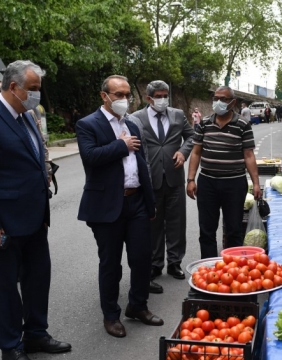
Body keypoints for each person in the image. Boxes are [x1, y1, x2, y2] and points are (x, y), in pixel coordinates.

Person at [0, 60, 71, 360]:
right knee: (5, 289)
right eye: (33, 89)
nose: (37, 95)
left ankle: (36, 333)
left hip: (34, 221)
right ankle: (11, 346)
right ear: (14, 87)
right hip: (2, 225)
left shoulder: (26, 116)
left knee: (38, 280)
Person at [76, 75, 163, 338]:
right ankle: (111, 315)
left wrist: (150, 202)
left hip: (136, 201)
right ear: (104, 96)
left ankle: (138, 306)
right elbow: (90, 158)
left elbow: (142, 165)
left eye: (127, 95)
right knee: (111, 263)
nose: (124, 99)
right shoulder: (87, 124)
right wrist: (120, 146)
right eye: (118, 95)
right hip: (107, 205)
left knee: (141, 258)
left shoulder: (132, 124)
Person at [128, 80, 194, 292]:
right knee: (153, 224)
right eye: (158, 96)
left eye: (166, 95)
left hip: (174, 178)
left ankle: (175, 262)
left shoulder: (177, 115)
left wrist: (183, 152)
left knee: (176, 222)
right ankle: (155, 264)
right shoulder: (136, 118)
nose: (163, 99)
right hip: (150, 179)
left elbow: (191, 136)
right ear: (149, 98)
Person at [186, 86, 262, 259]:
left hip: (234, 183)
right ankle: (210, 268)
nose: (218, 102)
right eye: (215, 98)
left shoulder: (242, 124)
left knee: (234, 229)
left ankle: (233, 268)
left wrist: (256, 183)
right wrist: (190, 179)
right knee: (206, 230)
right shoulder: (205, 123)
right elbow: (196, 152)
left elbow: (249, 155)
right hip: (207, 183)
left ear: (232, 102)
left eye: (223, 99)